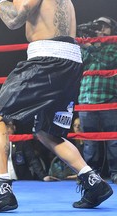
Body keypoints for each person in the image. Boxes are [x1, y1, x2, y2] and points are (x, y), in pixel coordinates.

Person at [0, 0, 113, 212]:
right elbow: (26, 12)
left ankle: (2, 191)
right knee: (47, 132)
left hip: (47, 59)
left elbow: (14, 19)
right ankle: (94, 183)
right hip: (70, 60)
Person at [77, 16, 117, 184]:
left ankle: (115, 173)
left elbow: (109, 62)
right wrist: (86, 47)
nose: (101, 30)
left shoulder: (113, 46)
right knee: (89, 142)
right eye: (98, 26)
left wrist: (92, 47)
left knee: (113, 140)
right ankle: (90, 175)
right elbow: (80, 64)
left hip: (108, 98)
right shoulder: (87, 47)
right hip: (87, 98)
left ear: (112, 30)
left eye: (105, 27)